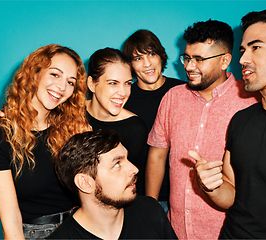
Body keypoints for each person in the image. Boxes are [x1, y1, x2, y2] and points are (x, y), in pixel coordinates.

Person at [146, 20, 258, 239]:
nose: (188, 66)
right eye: (187, 58)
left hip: (225, 232)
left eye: (198, 59)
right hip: (174, 229)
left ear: (225, 60)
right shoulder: (173, 98)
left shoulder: (250, 103)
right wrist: (150, 210)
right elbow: (157, 156)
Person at [0, 44, 91, 239]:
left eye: (70, 82)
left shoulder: (73, 128)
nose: (62, 87)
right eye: (55, 74)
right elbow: (11, 222)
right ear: (34, 73)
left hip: (82, 226)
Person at [191, 9, 266, 239]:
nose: (242, 60)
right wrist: (211, 186)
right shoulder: (241, 120)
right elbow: (231, 194)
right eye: (242, 50)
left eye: (256, 47)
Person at [48, 130, 177, 239]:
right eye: (117, 164)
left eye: (127, 159)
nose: (134, 169)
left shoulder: (149, 211)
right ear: (85, 183)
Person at [122, 29, 184, 211]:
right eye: (138, 58)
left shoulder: (182, 91)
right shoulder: (124, 98)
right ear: (130, 65)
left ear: (161, 56)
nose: (147, 64)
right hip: (137, 196)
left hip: (181, 194)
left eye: (151, 54)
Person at [85, 47, 148, 195]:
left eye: (127, 83)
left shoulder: (134, 128)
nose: (123, 93)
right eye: (113, 83)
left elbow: (131, 184)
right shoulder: (72, 114)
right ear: (92, 84)